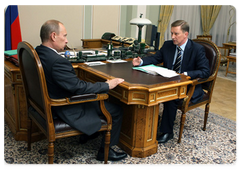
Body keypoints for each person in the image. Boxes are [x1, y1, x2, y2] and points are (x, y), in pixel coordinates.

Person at [35, 20, 127, 161]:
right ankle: (105, 151)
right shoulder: (57, 62)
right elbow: (79, 88)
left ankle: (88, 134)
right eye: (64, 36)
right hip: (63, 107)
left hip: (43, 102)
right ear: (53, 36)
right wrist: (106, 85)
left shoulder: (39, 51)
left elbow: (73, 84)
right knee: (116, 110)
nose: (66, 40)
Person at [132, 20, 210, 143]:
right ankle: (149, 121)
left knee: (171, 97)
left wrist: (185, 74)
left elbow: (205, 71)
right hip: (169, 81)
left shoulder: (197, 49)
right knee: (149, 90)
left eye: (176, 34)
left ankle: (167, 132)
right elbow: (156, 58)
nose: (172, 37)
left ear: (185, 34)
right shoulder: (168, 45)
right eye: (171, 33)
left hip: (189, 86)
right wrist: (140, 62)